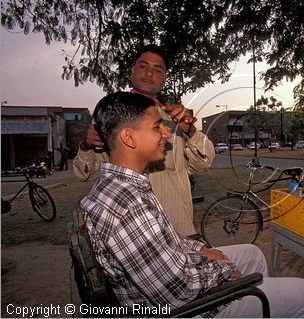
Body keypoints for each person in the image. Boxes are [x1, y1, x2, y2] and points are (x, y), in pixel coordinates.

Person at [81, 91, 304, 317]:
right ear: (128, 137)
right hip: (186, 309)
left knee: (253, 254)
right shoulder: (127, 206)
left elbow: (168, 242)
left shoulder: (125, 185)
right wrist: (223, 270)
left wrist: (200, 251)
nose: (166, 133)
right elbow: (178, 290)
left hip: (173, 277)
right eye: (156, 127)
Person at [73, 44, 214, 236]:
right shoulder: (113, 114)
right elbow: (86, 174)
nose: (149, 73)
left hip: (179, 227)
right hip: (134, 233)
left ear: (164, 78)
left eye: (158, 69)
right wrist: (86, 146)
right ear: (132, 70)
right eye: (143, 66)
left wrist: (190, 131)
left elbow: (203, 163)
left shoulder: (175, 118)